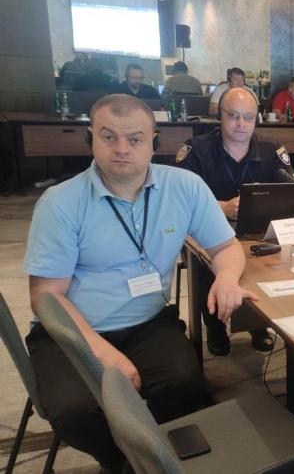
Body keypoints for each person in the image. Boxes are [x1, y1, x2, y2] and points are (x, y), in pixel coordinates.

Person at [24, 94, 256, 472]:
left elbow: (226, 247)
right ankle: (126, 463)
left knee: (185, 384)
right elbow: (45, 296)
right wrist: (103, 355)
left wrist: (227, 277)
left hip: (148, 323)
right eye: (108, 137)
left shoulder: (185, 187)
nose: (121, 149)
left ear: (154, 142)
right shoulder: (60, 202)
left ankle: (157, 455)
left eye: (134, 139)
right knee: (76, 412)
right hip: (72, 332)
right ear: (91, 139)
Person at [176, 87, 294, 355]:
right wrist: (222, 207)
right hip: (204, 234)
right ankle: (215, 327)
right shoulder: (195, 150)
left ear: (256, 119)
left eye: (248, 117)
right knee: (209, 262)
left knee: (269, 260)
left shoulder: (273, 149)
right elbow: (179, 202)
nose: (241, 123)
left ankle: (258, 324)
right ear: (220, 116)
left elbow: (291, 192)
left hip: (256, 231)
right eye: (233, 115)